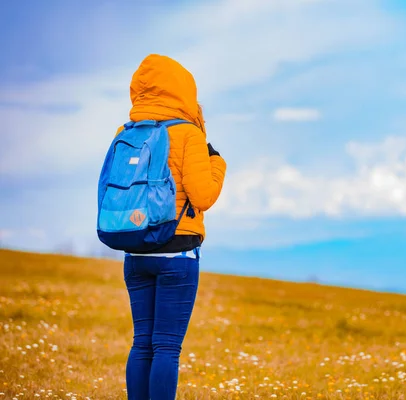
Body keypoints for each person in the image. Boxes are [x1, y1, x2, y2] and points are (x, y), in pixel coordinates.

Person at [120, 54, 226, 399]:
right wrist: (217, 164)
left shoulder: (126, 132)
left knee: (142, 343)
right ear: (183, 90)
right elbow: (203, 196)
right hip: (177, 252)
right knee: (166, 347)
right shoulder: (187, 134)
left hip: (134, 249)